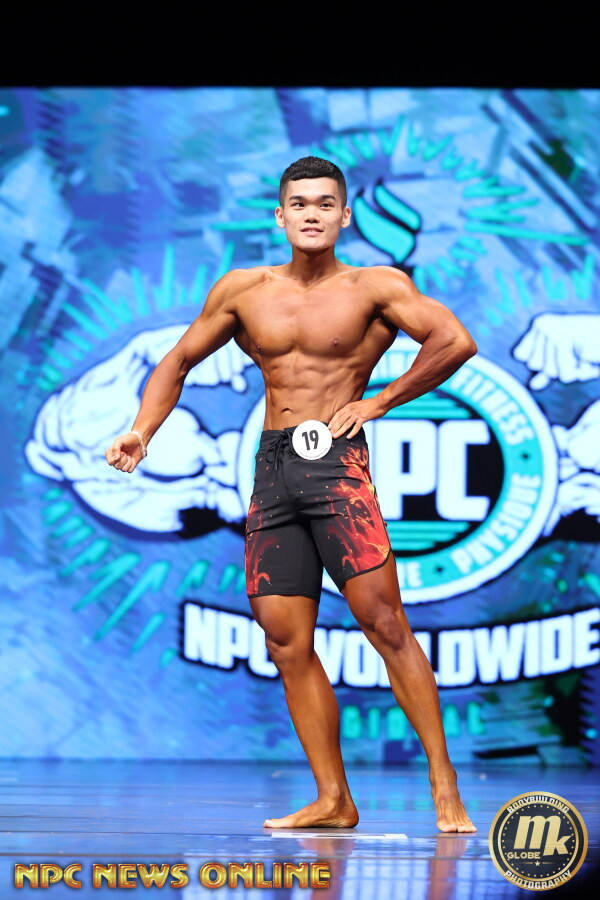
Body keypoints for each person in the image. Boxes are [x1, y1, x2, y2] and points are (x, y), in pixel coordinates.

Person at [106, 156, 477, 833]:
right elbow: (178, 360)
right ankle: (334, 799)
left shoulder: (376, 286)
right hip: (275, 469)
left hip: (338, 469)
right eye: (299, 203)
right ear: (280, 216)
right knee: (285, 640)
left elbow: (454, 341)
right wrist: (141, 430)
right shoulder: (244, 290)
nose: (311, 213)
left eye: (325, 203)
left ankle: (444, 782)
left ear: (345, 216)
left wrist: (381, 400)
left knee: (384, 624)